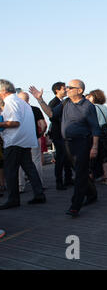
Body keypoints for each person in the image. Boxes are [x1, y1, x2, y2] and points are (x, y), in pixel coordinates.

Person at [30, 79, 100, 217]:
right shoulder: (65, 103)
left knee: (79, 173)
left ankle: (75, 206)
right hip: (67, 143)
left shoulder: (88, 106)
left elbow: (95, 128)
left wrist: (94, 147)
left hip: (83, 142)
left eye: (70, 87)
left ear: (79, 90)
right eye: (66, 87)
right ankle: (92, 194)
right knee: (79, 171)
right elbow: (50, 114)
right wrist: (40, 100)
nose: (67, 89)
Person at [0, 79, 46, 210]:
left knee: (10, 170)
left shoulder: (10, 102)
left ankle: (13, 199)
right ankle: (39, 193)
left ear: (3, 90)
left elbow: (14, 122)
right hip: (26, 139)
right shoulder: (22, 102)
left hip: (14, 140)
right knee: (29, 167)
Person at [17, 92, 47, 192]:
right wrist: (40, 134)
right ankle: (40, 184)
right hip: (34, 138)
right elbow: (43, 125)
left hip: (20, 139)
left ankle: (20, 186)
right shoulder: (35, 109)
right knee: (36, 161)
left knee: (20, 163)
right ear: (28, 99)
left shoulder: (16, 111)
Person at [48, 82, 72, 190]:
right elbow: (52, 117)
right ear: (57, 90)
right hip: (58, 134)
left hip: (64, 134)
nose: (66, 90)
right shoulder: (54, 102)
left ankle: (68, 179)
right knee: (61, 158)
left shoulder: (63, 102)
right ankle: (59, 182)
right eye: (64, 88)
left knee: (67, 157)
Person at [88, 90, 107, 185]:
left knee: (93, 155)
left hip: (95, 133)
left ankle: (91, 176)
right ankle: (106, 177)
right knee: (105, 155)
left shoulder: (92, 107)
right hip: (105, 132)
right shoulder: (105, 107)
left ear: (93, 97)